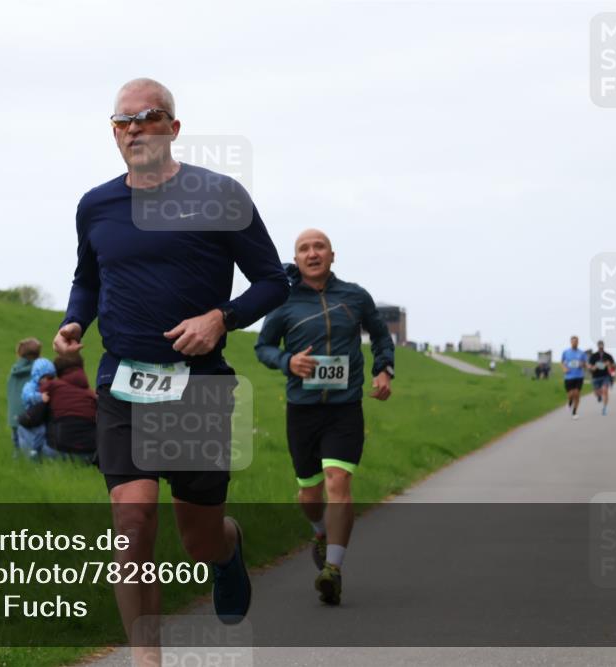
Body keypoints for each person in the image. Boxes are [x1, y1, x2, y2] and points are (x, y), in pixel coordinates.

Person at [53, 78, 288, 664]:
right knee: (132, 526)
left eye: (147, 116)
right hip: (123, 382)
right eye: (121, 121)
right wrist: (74, 321)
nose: (132, 128)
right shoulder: (96, 205)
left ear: (173, 128)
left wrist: (221, 318)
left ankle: (228, 549)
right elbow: (89, 276)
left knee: (198, 541)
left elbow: (273, 281)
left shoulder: (220, 195)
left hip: (197, 386)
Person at [255, 229, 394, 606]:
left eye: (319, 247)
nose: (312, 253)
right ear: (296, 259)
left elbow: (382, 336)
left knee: (339, 482)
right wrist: (288, 361)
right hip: (302, 410)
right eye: (304, 249)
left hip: (345, 408)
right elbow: (263, 347)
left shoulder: (355, 296)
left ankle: (332, 570)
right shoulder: (283, 302)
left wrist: (384, 371)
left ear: (333, 255)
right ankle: (319, 532)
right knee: (309, 495)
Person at [40, 352, 97, 463]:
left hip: (58, 452)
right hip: (89, 455)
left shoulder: (52, 387)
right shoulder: (92, 395)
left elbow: (33, 412)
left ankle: (25, 457)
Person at [17, 358, 58, 460]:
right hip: (31, 415)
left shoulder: (48, 387)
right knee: (36, 432)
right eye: (46, 378)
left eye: (51, 378)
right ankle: (33, 452)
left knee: (43, 431)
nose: (48, 381)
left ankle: (39, 452)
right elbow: (27, 396)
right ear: (37, 375)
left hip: (41, 416)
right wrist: (40, 397)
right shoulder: (30, 386)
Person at [7, 338, 41, 455]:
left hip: (13, 416)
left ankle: (17, 462)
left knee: (16, 444)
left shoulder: (14, 370)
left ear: (19, 354)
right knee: (30, 445)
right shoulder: (38, 371)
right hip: (29, 416)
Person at [560, 336, 588, 420]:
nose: (574, 343)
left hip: (579, 376)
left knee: (577, 394)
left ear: (578, 342)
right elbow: (561, 362)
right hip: (569, 376)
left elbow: (585, 364)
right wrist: (564, 368)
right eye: (573, 341)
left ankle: (574, 412)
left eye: (576, 341)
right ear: (570, 342)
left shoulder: (582, 353)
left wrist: (582, 365)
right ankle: (569, 402)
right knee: (570, 394)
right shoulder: (566, 352)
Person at [588, 340, 616, 415]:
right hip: (595, 377)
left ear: (603, 346)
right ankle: (599, 396)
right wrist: (594, 367)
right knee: (597, 393)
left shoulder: (608, 355)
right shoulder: (593, 356)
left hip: (605, 376)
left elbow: (614, 366)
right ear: (597, 346)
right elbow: (590, 366)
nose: (601, 347)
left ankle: (604, 408)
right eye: (599, 345)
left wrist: (609, 364)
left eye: (602, 345)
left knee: (605, 391)